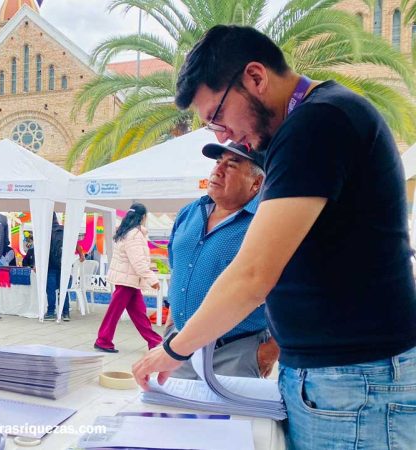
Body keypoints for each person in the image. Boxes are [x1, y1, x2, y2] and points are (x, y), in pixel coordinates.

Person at [132, 25, 416, 449]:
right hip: (343, 377)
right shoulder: (312, 123)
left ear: (256, 78)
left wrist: (174, 350)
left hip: (356, 379)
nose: (223, 136)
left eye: (217, 118)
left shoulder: (317, 123)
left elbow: (252, 274)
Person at [166, 141, 278, 379]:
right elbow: (176, 270)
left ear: (257, 182)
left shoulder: (266, 223)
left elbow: (290, 291)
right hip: (179, 346)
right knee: (173, 414)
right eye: (218, 162)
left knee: (231, 417)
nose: (217, 170)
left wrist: (270, 351)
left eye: (232, 165)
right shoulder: (189, 212)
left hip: (236, 351)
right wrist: (169, 326)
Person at [95, 204, 162, 353]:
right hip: (127, 281)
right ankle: (103, 340)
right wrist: (152, 279)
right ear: (143, 217)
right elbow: (138, 261)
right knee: (115, 313)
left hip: (128, 280)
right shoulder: (134, 235)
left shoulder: (126, 232)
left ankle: (155, 341)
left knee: (139, 313)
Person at [45, 213, 71, 321]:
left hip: (50, 264)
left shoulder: (45, 231)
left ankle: (51, 312)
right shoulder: (64, 230)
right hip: (63, 263)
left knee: (50, 289)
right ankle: (65, 313)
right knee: (63, 288)